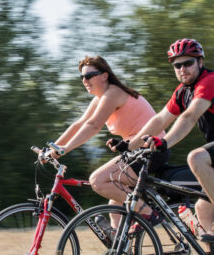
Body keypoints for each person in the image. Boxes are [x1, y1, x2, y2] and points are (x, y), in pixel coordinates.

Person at [127, 39, 214, 243]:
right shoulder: (183, 91)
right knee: (202, 208)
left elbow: (189, 117)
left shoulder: (210, 82)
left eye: (188, 63)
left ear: (200, 62)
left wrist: (164, 142)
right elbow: (160, 119)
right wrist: (129, 145)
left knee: (196, 157)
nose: (182, 69)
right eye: (177, 65)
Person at [50, 56, 169, 227]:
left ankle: (151, 214)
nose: (85, 80)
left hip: (151, 149)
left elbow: (93, 125)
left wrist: (65, 149)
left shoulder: (113, 93)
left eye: (89, 76)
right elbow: (80, 123)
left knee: (97, 180)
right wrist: (53, 147)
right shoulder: (100, 98)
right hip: (136, 150)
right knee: (115, 209)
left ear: (104, 76)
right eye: (82, 77)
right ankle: (121, 248)